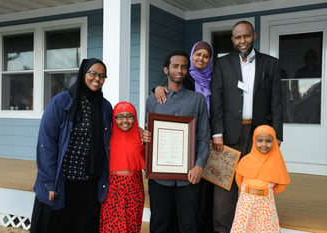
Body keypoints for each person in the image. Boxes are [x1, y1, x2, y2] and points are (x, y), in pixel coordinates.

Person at [211, 20, 283, 233]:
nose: (242, 41)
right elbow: (217, 100)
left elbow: (277, 101)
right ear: (233, 40)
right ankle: (223, 229)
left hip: (259, 135)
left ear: (254, 36)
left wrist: (276, 134)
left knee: (257, 183)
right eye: (238, 37)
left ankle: (253, 227)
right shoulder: (222, 64)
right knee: (225, 185)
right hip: (228, 133)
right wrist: (217, 132)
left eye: (246, 36)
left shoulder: (271, 64)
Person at [30, 58, 113, 233]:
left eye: (102, 75)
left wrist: (140, 131)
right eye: (93, 73)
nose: (97, 78)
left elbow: (114, 135)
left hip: (89, 183)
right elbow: (46, 143)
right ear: (83, 73)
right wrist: (49, 182)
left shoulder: (105, 107)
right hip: (62, 181)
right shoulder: (62, 102)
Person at [145, 49, 210, 233]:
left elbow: (203, 137)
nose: (179, 70)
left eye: (183, 67)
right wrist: (145, 137)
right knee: (159, 224)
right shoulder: (153, 100)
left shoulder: (197, 100)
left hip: (188, 177)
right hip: (160, 177)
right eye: (175, 66)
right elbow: (149, 134)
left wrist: (199, 165)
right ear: (166, 70)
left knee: (188, 225)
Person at [231, 125, 290, 232]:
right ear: (254, 141)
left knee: (264, 228)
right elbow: (239, 179)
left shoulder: (276, 163)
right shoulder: (246, 160)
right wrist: (247, 191)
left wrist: (268, 192)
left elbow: (281, 185)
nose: (264, 144)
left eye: (268, 141)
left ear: (274, 142)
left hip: (265, 205)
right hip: (246, 204)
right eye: (260, 140)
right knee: (244, 227)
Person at [99, 101, 145, 233]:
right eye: (120, 116)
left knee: (132, 225)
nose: (125, 120)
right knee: (112, 226)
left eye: (129, 116)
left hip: (134, 188)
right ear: (114, 118)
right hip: (113, 188)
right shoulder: (108, 136)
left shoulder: (141, 136)